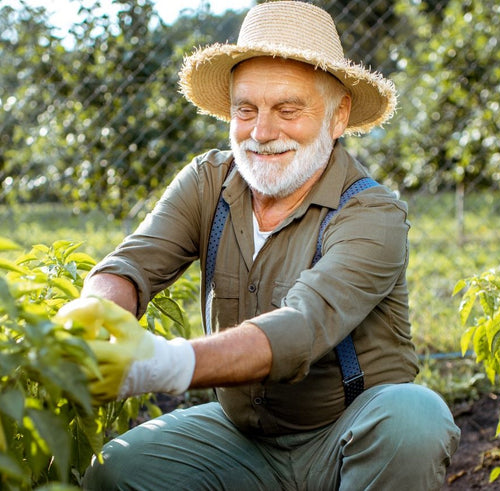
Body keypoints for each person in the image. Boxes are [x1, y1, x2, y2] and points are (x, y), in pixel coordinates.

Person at [61, 1, 460, 489]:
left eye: (288, 110)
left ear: (338, 117)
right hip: (242, 439)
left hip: (345, 439)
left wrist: (165, 363)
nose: (262, 133)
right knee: (118, 469)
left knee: (415, 419)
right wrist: (96, 312)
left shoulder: (371, 213)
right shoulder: (208, 183)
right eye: (245, 110)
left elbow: (302, 326)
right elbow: (131, 265)